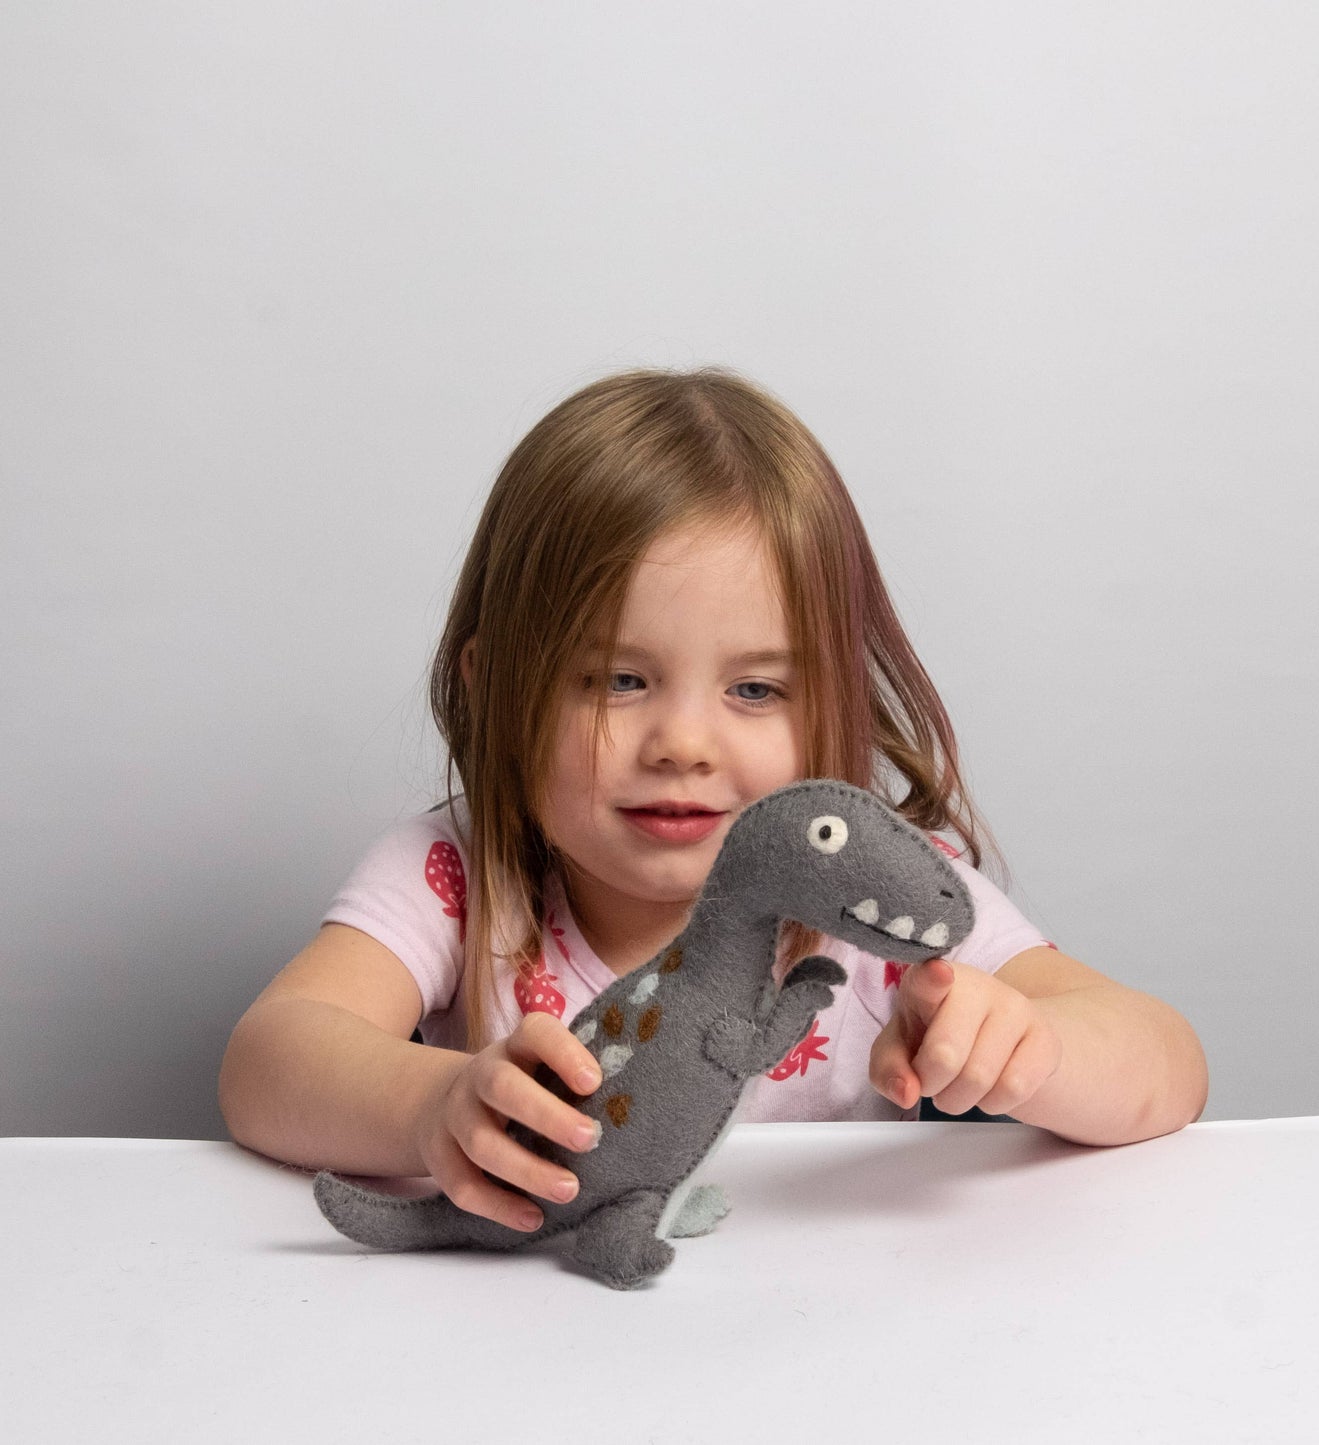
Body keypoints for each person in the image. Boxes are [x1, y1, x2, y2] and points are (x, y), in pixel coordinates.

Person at [219, 366, 1208, 1237]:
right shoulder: (458, 874)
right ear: (493, 688)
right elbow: (268, 1059)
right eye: (615, 679)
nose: (684, 746)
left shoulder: (864, 897)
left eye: (754, 690)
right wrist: (433, 1106)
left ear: (834, 700)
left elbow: (1167, 1062)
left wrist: (1034, 1050)